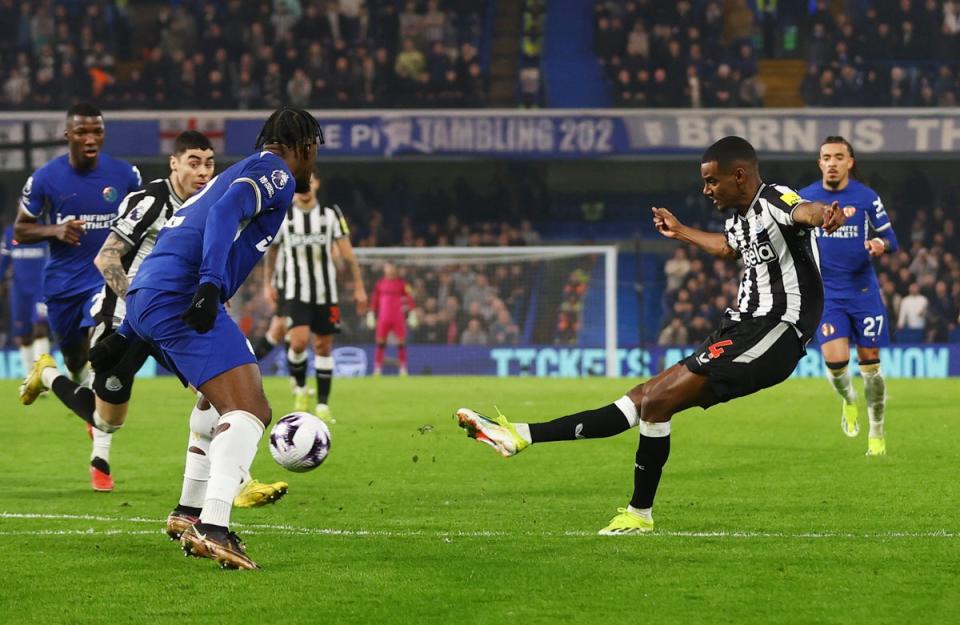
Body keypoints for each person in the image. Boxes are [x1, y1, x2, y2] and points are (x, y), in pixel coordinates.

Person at [455, 136, 845, 535]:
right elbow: (729, 248)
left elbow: (804, 212)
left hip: (775, 331)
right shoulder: (739, 217)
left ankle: (640, 513)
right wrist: (681, 232)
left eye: (712, 181)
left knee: (657, 402)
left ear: (739, 175)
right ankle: (520, 435)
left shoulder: (775, 198)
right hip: (742, 328)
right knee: (642, 399)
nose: (706, 190)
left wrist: (824, 217)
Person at [90, 107, 322, 569]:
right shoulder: (272, 169)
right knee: (251, 408)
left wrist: (128, 334)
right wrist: (210, 286)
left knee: (213, 402)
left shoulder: (241, 171)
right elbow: (222, 214)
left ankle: (188, 510)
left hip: (149, 294)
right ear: (303, 146)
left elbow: (183, 237)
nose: (315, 161)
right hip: (182, 296)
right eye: (315, 150)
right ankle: (214, 528)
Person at [14, 102, 141, 491]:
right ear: (68, 134)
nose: (90, 139)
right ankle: (52, 375)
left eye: (97, 132)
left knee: (102, 359)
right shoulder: (45, 179)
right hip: (63, 288)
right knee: (75, 360)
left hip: (103, 283)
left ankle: (100, 459)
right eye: (82, 132)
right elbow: (21, 229)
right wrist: (55, 231)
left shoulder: (126, 175)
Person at [799, 136, 900, 457]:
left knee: (870, 362)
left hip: (863, 291)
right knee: (836, 363)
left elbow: (891, 239)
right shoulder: (805, 199)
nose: (832, 162)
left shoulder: (866, 197)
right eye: (826, 157)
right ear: (819, 163)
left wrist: (879, 245)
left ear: (849, 162)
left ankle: (877, 432)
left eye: (838, 157)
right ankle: (848, 401)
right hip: (827, 294)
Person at [252, 171, 368, 421]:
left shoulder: (331, 214)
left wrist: (359, 287)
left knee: (324, 346)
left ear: (317, 183)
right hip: (295, 292)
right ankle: (301, 389)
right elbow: (272, 252)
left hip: (325, 293)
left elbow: (347, 254)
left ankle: (323, 406)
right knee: (298, 342)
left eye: (310, 181)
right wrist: (268, 284)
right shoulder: (284, 215)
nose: (305, 186)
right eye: (300, 183)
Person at [0, 224, 50, 375]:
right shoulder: (10, 232)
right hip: (19, 289)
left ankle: (42, 376)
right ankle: (30, 377)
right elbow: (4, 260)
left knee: (40, 328)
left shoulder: (46, 230)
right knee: (24, 336)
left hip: (40, 287)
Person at [368, 261, 415, 375]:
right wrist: (371, 313)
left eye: (391, 267)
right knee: (380, 343)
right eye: (387, 267)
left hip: (398, 317)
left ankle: (403, 368)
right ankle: (377, 368)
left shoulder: (402, 284)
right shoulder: (380, 284)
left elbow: (409, 298)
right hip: (383, 318)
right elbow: (375, 299)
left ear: (395, 269)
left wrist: (412, 312)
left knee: (401, 343)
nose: (390, 270)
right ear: (384, 269)